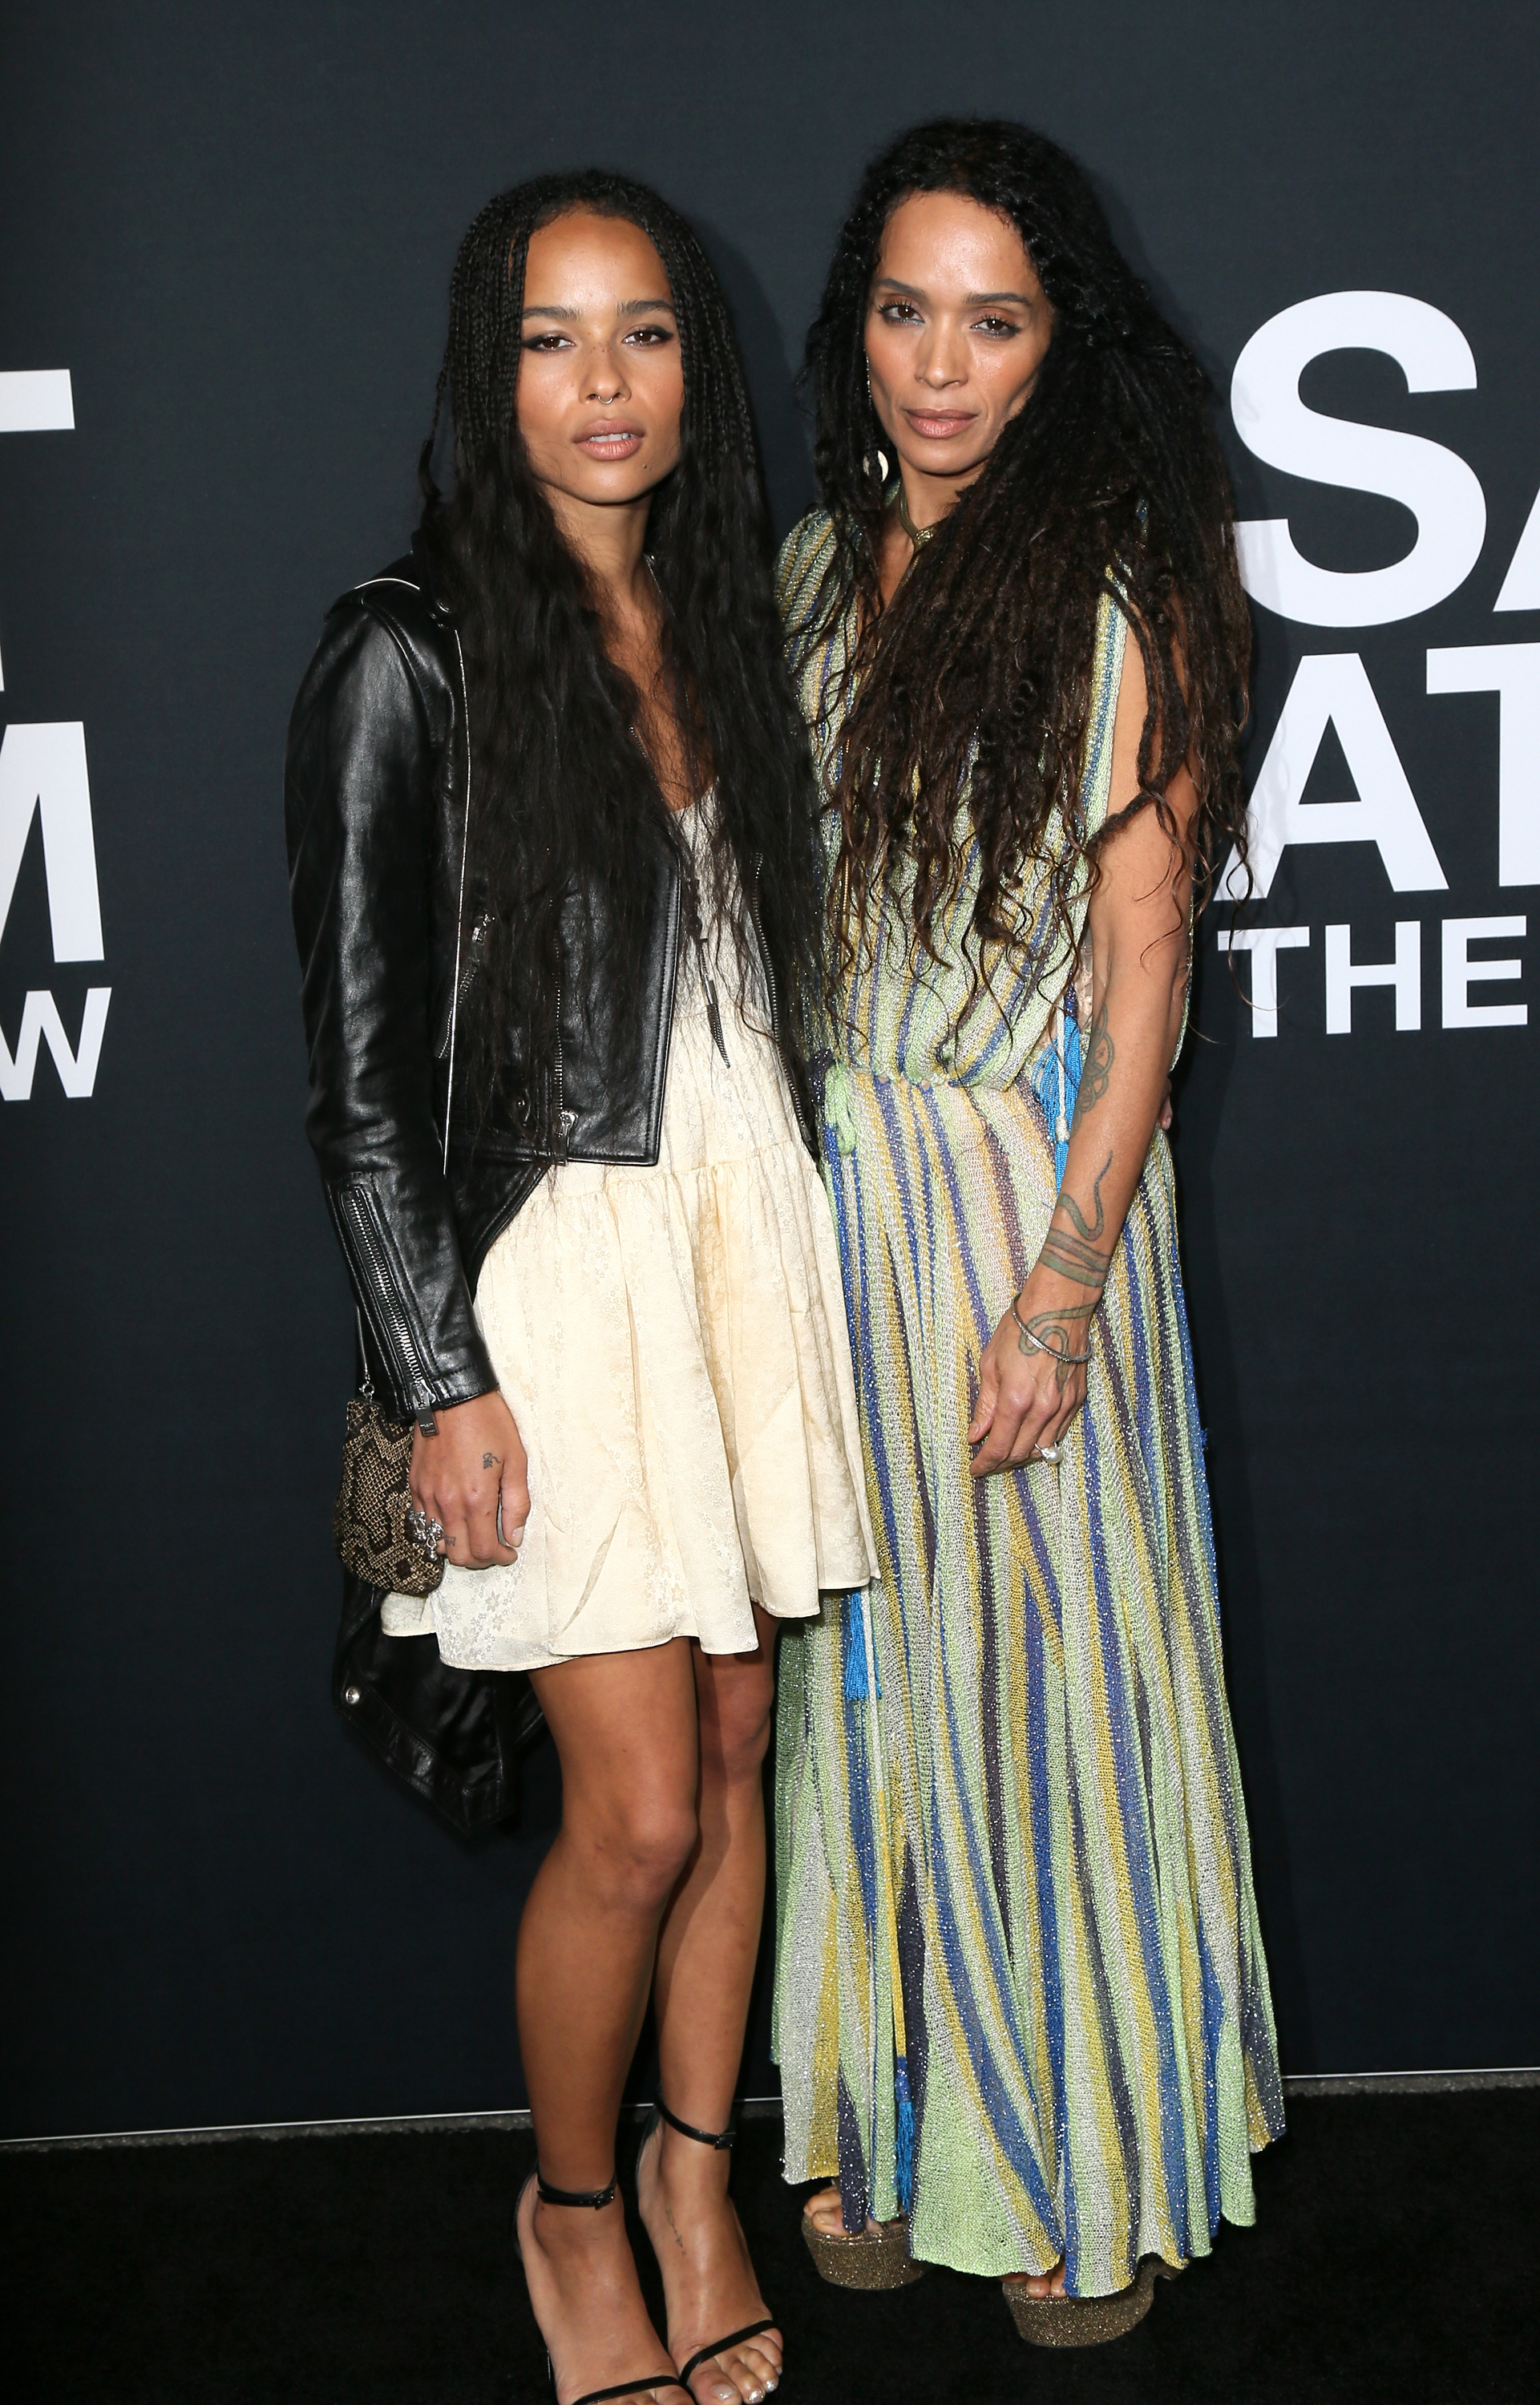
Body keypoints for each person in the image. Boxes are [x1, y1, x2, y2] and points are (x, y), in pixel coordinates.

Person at [285, 172, 873, 2405]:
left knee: (737, 1753)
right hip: (550, 1274)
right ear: (486, 364)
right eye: (551, 338)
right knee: (628, 1808)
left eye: (642, 335)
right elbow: (354, 1086)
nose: (602, 383)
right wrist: (437, 1377)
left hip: (739, 1233)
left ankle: (696, 2176)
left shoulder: (725, 622)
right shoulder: (402, 646)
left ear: (693, 370)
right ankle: (566, 2211)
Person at [771, 118, 1285, 2345]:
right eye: (903, 309)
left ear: (1062, 339)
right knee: (853, 1693)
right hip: (819, 1218)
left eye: (992, 317)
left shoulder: (1124, 587)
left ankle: (1075, 2158)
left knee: (1046, 1691)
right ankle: (883, 2121)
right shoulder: (795, 573)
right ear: (852, 323)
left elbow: (1145, 967)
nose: (939, 364)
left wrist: (1063, 1287)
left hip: (1012, 1208)